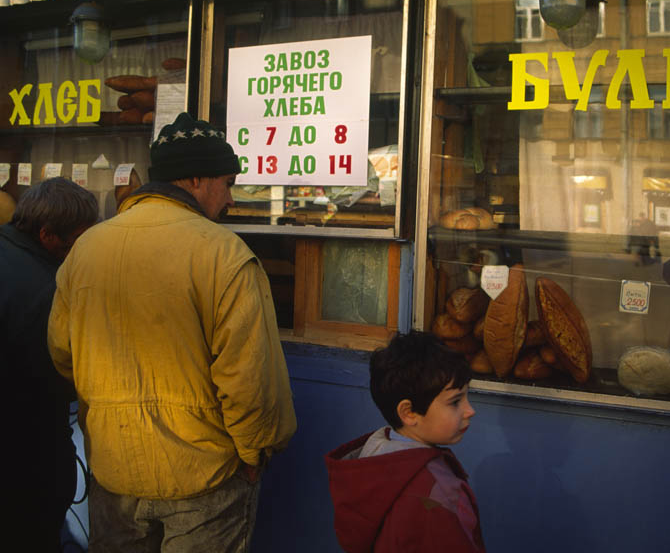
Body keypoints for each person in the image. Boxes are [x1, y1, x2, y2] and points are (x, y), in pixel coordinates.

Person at [48, 112, 297, 552]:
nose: (231, 198)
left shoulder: (87, 248)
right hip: (204, 479)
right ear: (198, 180)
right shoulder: (224, 253)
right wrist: (255, 453)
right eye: (228, 182)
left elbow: (63, 354)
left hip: (114, 468)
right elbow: (250, 378)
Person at [1, 177, 99, 552]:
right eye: (78, 240)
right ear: (47, 235)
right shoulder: (46, 289)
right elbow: (54, 377)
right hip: (24, 464)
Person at [325, 330, 486, 552]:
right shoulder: (436, 496)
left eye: (468, 396)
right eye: (455, 402)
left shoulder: (371, 460)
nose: (470, 410)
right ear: (409, 413)